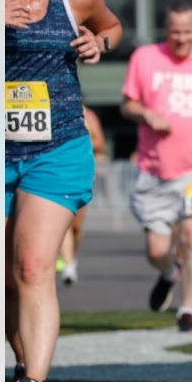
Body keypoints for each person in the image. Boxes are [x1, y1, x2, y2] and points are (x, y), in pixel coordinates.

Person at [5, 0, 122, 382]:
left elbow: (112, 26)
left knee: (33, 266)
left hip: (57, 148)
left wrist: (99, 41)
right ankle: (23, 363)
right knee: (0, 280)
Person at [121, 2, 192, 333]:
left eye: (187, 32)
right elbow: (127, 104)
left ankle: (187, 310)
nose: (181, 39)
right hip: (155, 168)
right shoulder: (144, 58)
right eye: (175, 32)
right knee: (157, 248)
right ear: (165, 31)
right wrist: (146, 114)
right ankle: (169, 272)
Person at [58, 106, 106, 285]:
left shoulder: (88, 115)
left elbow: (100, 143)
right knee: (64, 223)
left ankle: (71, 257)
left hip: (79, 172)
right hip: (57, 172)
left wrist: (77, 140)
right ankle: (68, 264)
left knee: (76, 225)